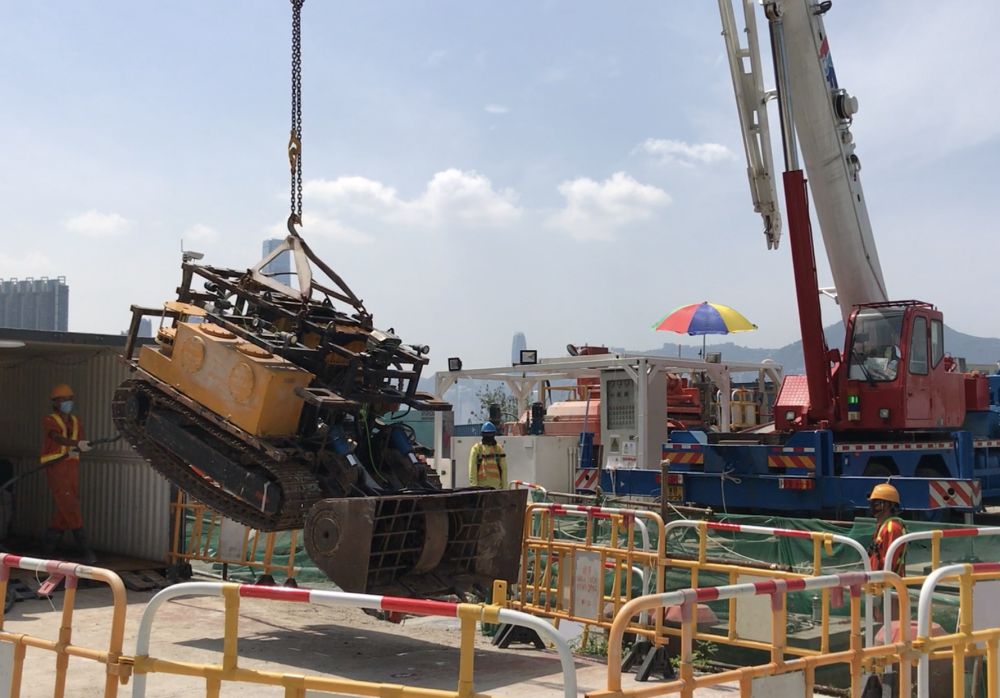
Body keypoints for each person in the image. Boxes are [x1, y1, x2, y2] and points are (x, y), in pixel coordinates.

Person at [40, 384, 96, 563]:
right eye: (63, 399)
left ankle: (48, 548)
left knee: (66, 505)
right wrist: (75, 444)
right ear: (55, 403)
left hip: (71, 465)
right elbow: (56, 437)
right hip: (56, 466)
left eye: (69, 399)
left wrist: (80, 446)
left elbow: (78, 442)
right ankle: (85, 550)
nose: (67, 402)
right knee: (70, 504)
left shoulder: (76, 421)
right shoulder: (50, 420)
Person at [867, 482, 906, 575]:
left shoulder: (892, 528)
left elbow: (890, 562)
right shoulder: (882, 525)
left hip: (888, 584)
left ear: (888, 505)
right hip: (877, 582)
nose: (873, 507)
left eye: (876, 504)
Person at [468, 421, 506, 489]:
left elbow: (504, 469)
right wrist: (474, 487)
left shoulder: (498, 449)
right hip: (482, 488)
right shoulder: (477, 449)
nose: (489, 436)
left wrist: (505, 488)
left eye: (490, 434)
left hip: (495, 488)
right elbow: (472, 470)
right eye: (487, 434)